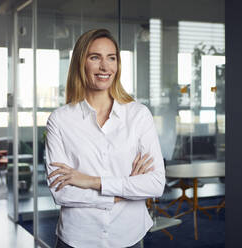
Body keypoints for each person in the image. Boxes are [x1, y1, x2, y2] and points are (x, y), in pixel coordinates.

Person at [45, 29, 166, 248]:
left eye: (111, 58)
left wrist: (91, 181)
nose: (105, 67)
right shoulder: (60, 120)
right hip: (77, 238)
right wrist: (121, 193)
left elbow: (155, 184)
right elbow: (61, 192)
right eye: (95, 57)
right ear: (81, 63)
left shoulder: (138, 115)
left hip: (128, 236)